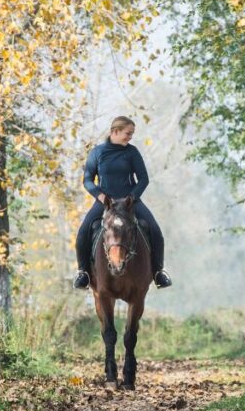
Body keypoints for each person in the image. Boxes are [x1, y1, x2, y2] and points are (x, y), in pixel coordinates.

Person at [73, 116, 172, 290]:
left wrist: (132, 198)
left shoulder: (132, 152)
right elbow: (88, 180)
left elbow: (143, 179)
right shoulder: (96, 153)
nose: (130, 137)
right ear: (115, 131)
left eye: (132, 134)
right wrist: (101, 196)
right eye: (128, 133)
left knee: (155, 230)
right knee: (83, 232)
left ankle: (158, 273)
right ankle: (83, 273)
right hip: (106, 202)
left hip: (129, 202)